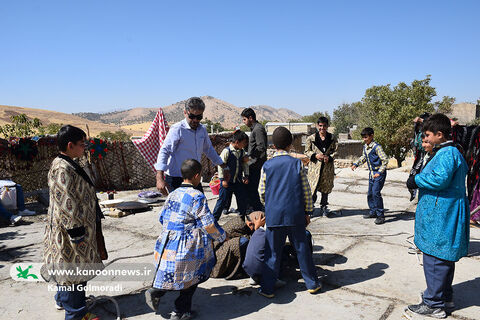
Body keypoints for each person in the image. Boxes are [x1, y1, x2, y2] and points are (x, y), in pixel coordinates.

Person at [404, 114, 470, 319]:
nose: (425, 139)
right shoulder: (449, 151)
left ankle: (433, 304)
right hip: (445, 210)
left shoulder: (447, 153)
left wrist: (416, 179)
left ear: (440, 135)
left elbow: (439, 179)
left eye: (427, 135)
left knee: (434, 258)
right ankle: (444, 297)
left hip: (442, 214)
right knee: (444, 258)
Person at [146, 159, 226, 320]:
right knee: (192, 277)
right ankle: (180, 311)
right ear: (197, 176)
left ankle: (156, 291)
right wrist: (222, 236)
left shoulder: (173, 193)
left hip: (167, 242)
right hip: (187, 245)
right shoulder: (197, 196)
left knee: (172, 274)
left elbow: (163, 218)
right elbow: (209, 224)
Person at [41, 125, 106, 320]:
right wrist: (77, 235)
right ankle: (77, 314)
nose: (84, 147)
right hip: (72, 233)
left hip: (76, 229)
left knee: (68, 270)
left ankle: (63, 300)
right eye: (81, 144)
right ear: (70, 145)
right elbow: (66, 203)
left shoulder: (68, 163)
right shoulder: (62, 168)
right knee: (74, 271)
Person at [257, 126, 322, 298]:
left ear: (273, 145)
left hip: (274, 216)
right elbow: (306, 190)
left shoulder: (267, 165)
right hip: (295, 215)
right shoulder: (296, 164)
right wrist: (308, 210)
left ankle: (267, 289)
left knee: (272, 253)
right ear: (291, 144)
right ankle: (312, 284)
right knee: (302, 251)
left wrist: (270, 205)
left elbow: (261, 191)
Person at [155, 97, 229, 195]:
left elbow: (209, 150)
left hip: (194, 178)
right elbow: (165, 151)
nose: (195, 120)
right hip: (176, 178)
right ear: (185, 112)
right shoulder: (177, 129)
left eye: (199, 117)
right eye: (192, 116)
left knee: (199, 204)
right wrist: (159, 178)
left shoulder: (202, 130)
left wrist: (224, 167)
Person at [351, 127, 389, 225]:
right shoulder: (365, 147)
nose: (364, 139)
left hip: (378, 174)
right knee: (370, 194)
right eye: (363, 137)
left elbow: (385, 160)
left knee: (376, 193)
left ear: (372, 136)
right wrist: (356, 164)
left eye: (366, 137)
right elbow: (364, 157)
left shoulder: (377, 147)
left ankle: (381, 215)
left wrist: (379, 172)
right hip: (372, 174)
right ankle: (373, 212)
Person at [212, 130, 249, 220]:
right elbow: (220, 165)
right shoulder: (227, 151)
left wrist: (246, 175)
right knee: (222, 200)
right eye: (243, 143)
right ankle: (214, 220)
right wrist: (223, 180)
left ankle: (242, 219)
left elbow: (245, 164)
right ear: (237, 142)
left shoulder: (241, 152)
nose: (244, 145)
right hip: (227, 181)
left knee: (241, 200)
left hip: (238, 180)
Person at [210, 212, 259, 280]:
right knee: (244, 241)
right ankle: (240, 270)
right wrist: (257, 229)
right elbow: (252, 242)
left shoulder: (243, 220)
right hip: (216, 257)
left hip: (219, 248)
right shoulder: (241, 224)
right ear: (250, 224)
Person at [304, 116, 337, 216]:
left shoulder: (332, 138)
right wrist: (315, 155)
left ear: (327, 126)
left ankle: (324, 208)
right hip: (315, 169)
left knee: (325, 189)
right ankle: (310, 209)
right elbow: (306, 151)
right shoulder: (311, 138)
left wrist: (330, 158)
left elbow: (336, 151)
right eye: (320, 126)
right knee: (312, 189)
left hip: (327, 168)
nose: (322, 128)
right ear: (317, 126)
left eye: (324, 126)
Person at [241, 108, 267, 212]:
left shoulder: (258, 129)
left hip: (256, 165)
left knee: (254, 189)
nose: (243, 121)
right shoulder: (254, 129)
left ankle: (257, 210)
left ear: (250, 118)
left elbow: (261, 147)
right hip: (253, 164)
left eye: (244, 119)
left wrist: (250, 158)